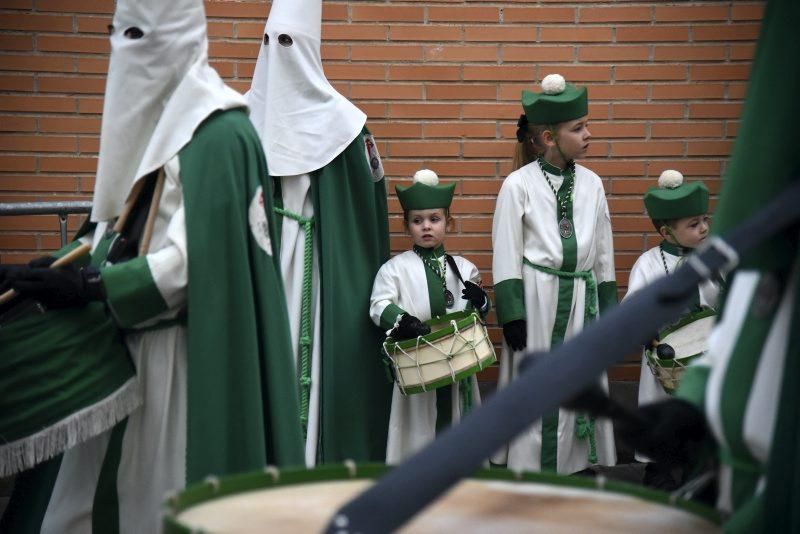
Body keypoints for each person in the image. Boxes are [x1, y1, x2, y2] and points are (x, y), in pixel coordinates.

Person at [0, 1, 303, 531]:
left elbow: (194, 264)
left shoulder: (219, 133)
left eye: (138, 35)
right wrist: (66, 266)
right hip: (117, 344)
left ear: (179, 38)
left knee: (154, 497)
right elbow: (120, 220)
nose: (125, 51)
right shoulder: (153, 115)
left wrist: (94, 285)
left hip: (179, 356)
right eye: (117, 35)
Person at [246, 0, 392, 466]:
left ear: (310, 49)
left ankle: (313, 462)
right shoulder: (243, 121)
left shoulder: (347, 126)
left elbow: (364, 216)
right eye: (270, 42)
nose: (278, 53)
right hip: (264, 262)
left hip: (322, 266)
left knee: (316, 363)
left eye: (289, 42)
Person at [491, 74, 617, 474]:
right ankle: (531, 466)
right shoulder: (517, 185)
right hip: (537, 300)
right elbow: (506, 250)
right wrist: (512, 312)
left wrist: (610, 314)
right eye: (578, 128)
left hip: (581, 299)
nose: (587, 134)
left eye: (586, 125)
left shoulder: (593, 185)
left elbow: (603, 253)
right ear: (548, 137)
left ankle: (575, 464)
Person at [369, 169, 491, 464]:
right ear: (406, 224)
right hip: (417, 366)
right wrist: (402, 320)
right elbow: (378, 304)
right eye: (417, 220)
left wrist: (481, 300)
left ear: (448, 222)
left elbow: (477, 314)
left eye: (434, 219)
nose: (426, 227)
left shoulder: (465, 268)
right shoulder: (394, 269)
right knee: (417, 430)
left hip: (458, 364)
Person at [626, 169, 719, 489]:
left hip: (708, 357)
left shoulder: (715, 260)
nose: (704, 227)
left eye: (704, 219)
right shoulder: (649, 264)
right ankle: (660, 474)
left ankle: (701, 470)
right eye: (693, 224)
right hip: (666, 363)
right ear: (666, 232)